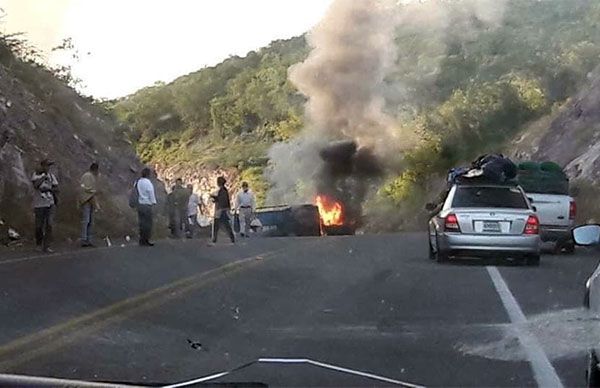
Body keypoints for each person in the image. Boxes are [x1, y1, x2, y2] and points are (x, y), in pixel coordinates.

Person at [31, 159, 59, 253]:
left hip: (50, 203)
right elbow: (36, 185)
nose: (48, 168)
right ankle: (39, 244)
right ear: (42, 166)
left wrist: (50, 189)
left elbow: (56, 188)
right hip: (39, 204)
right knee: (39, 225)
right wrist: (43, 177)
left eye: (49, 166)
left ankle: (47, 246)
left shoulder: (51, 176)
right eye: (47, 166)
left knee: (49, 224)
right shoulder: (36, 175)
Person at [209, 176, 235, 245]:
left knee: (217, 225)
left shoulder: (222, 191)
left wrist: (214, 198)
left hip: (221, 210)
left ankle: (214, 240)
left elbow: (221, 200)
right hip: (223, 209)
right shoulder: (224, 190)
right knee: (225, 225)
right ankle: (232, 239)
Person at [79, 162, 100, 247]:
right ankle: (84, 239)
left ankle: (88, 239)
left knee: (90, 221)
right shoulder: (88, 176)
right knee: (86, 220)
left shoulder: (89, 176)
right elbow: (87, 189)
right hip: (87, 200)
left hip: (89, 199)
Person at [136, 168, 157, 246]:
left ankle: (141, 239)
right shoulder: (148, 182)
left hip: (140, 203)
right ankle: (146, 240)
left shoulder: (138, 181)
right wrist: (153, 202)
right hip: (147, 204)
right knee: (148, 223)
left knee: (141, 223)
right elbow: (150, 192)